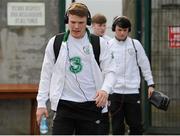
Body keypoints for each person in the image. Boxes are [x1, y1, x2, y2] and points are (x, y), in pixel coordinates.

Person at [36, 2, 116, 135]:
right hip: (64, 105)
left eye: (81, 22)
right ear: (67, 20)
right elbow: (46, 75)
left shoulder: (99, 44)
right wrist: (41, 103)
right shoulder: (55, 42)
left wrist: (105, 90)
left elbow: (111, 72)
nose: (76, 26)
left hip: (91, 105)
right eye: (73, 22)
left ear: (88, 21)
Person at [108, 16, 155, 135]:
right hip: (114, 93)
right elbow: (103, 69)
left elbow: (144, 64)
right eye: (119, 30)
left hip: (132, 92)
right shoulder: (108, 45)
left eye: (125, 30)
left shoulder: (135, 44)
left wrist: (150, 83)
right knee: (117, 127)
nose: (122, 33)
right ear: (114, 29)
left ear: (129, 30)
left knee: (136, 126)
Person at [91, 13, 111, 135]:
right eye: (99, 25)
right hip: (91, 87)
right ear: (93, 25)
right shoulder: (87, 42)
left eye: (104, 25)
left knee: (104, 120)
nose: (102, 28)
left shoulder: (110, 42)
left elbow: (112, 69)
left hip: (106, 88)